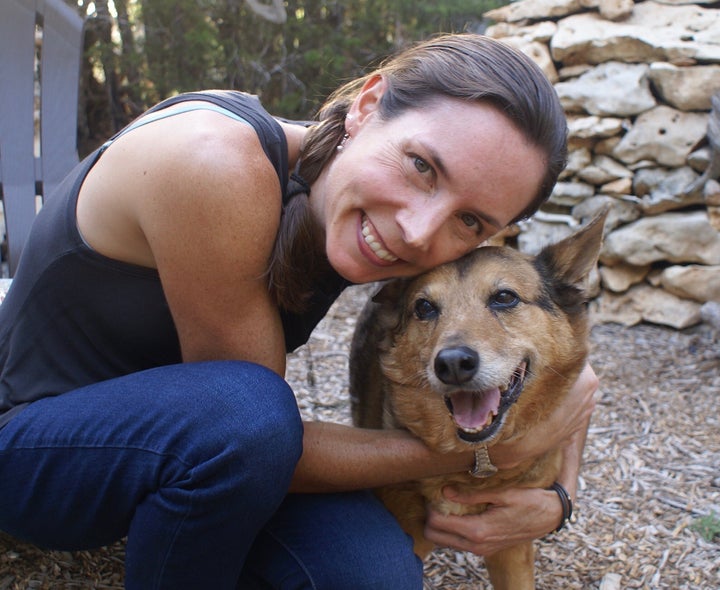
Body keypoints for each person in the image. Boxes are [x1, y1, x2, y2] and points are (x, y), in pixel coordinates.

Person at [0, 33, 598, 589]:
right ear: (367, 106)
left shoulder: (341, 199)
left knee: (374, 574)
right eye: (422, 166)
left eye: (471, 220)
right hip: (31, 450)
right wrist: (483, 452)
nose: (418, 231)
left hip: (171, 448)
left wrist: (558, 499)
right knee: (249, 412)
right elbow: (257, 439)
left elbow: (570, 374)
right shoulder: (213, 162)